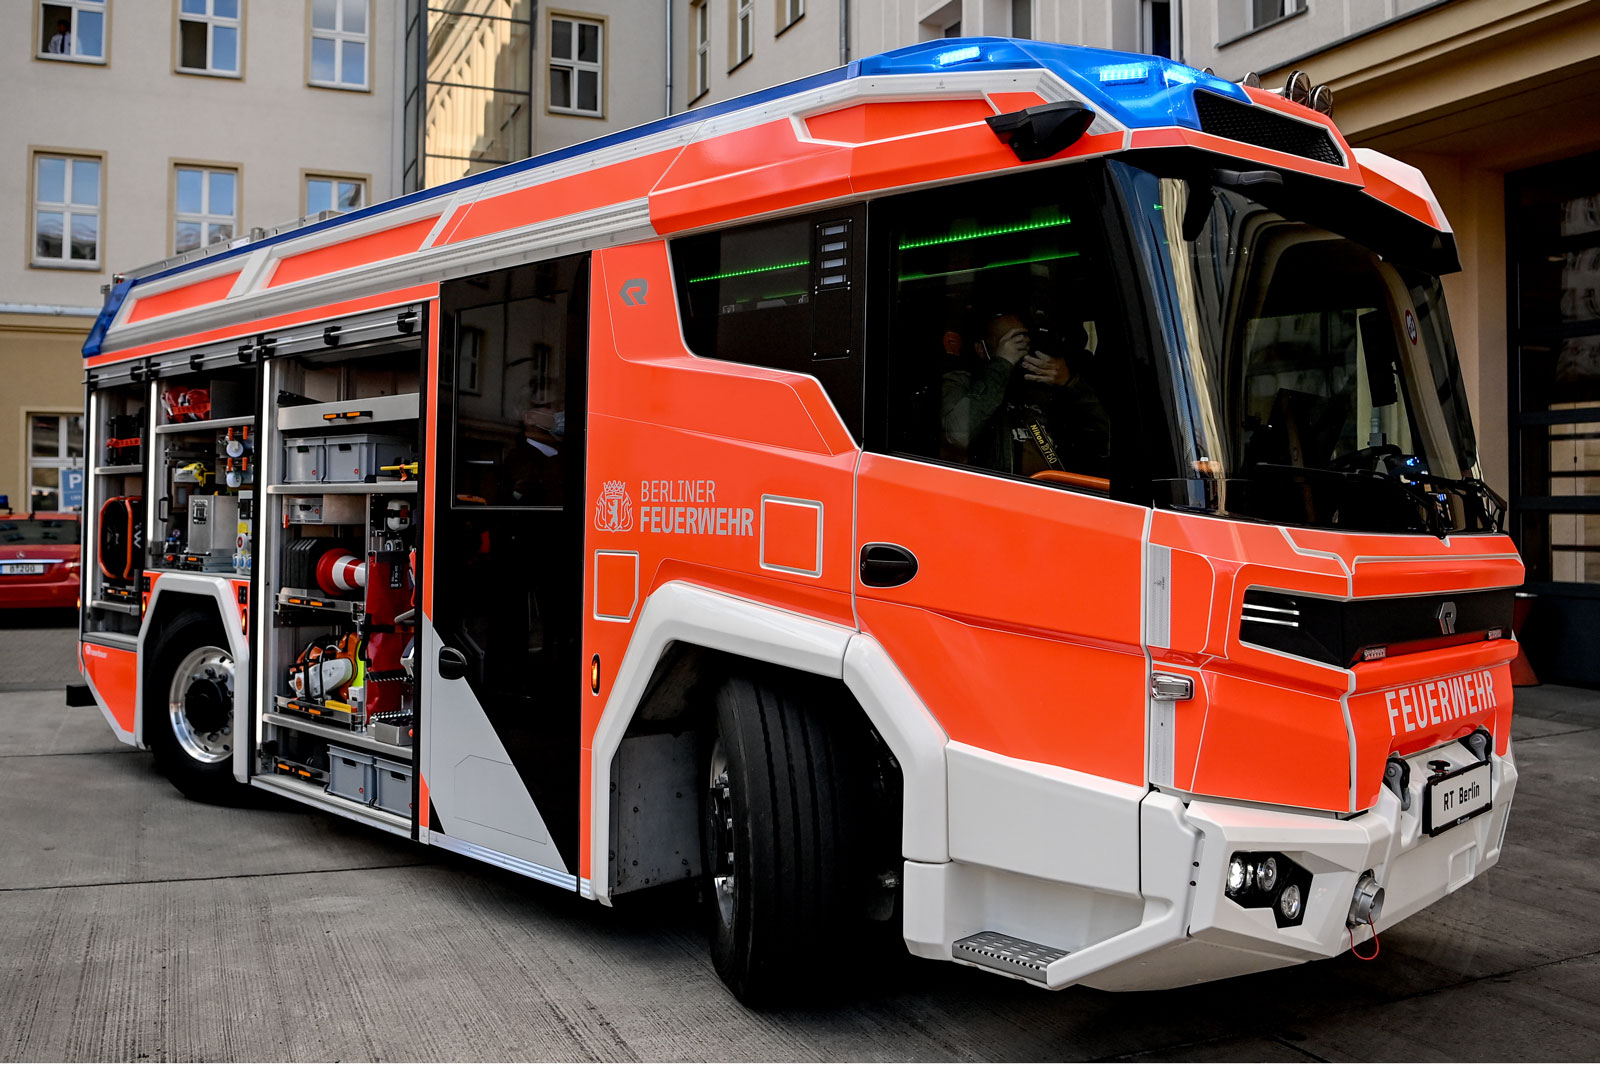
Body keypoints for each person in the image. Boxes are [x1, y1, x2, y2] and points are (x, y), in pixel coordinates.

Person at [941, 310, 1111, 478]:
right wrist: (1002, 365)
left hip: (1062, 490)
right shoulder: (961, 382)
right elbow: (957, 436)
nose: (1020, 345)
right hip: (1000, 494)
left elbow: (1104, 442)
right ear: (981, 348)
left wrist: (1071, 384)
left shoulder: (1045, 382)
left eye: (1024, 338)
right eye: (1009, 340)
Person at [501, 401, 566, 506]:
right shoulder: (519, 459)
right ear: (529, 418)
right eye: (549, 406)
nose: (559, 410)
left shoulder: (559, 454)